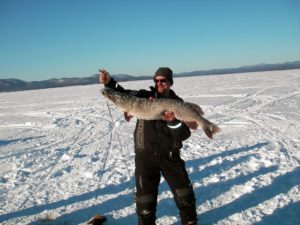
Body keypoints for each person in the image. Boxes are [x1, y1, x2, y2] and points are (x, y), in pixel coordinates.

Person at [99, 67, 198, 225]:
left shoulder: (178, 103)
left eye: (163, 80)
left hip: (170, 157)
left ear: (170, 82)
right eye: (156, 80)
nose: (159, 83)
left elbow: (185, 134)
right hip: (145, 158)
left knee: (185, 198)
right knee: (145, 204)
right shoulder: (144, 96)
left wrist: (172, 122)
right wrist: (110, 82)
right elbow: (123, 94)